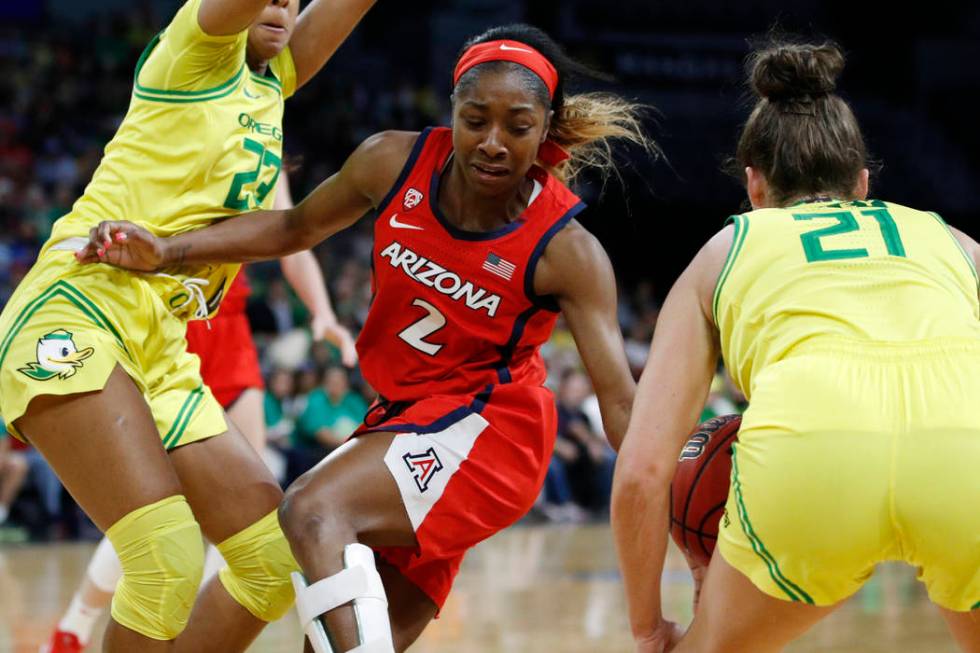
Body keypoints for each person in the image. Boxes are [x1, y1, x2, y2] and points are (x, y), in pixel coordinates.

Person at [76, 23, 652, 652]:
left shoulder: (567, 250)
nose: (492, 142)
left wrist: (681, 491)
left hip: (490, 436)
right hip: (400, 422)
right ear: (451, 110)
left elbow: (620, 403)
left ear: (545, 130)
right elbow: (293, 228)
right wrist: (167, 250)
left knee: (312, 510)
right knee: (330, 637)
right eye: (475, 119)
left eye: (516, 127)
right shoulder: (391, 160)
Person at [0, 0, 375, 651]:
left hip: (163, 343)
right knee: (164, 556)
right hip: (81, 309)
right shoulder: (196, 49)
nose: (283, 6)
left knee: (270, 563)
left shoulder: (273, 80)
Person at [610, 38, 980, 653]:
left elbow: (642, 473)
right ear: (863, 185)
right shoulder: (956, 243)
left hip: (814, 459)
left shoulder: (724, 252)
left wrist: (651, 628)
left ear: (754, 187)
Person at [41, 174, 357, 653]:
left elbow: (294, 237)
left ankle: (194, 628)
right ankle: (74, 627)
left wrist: (322, 311)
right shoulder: (180, 123)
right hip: (165, 324)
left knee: (251, 500)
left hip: (228, 329)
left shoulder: (266, 153)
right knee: (160, 511)